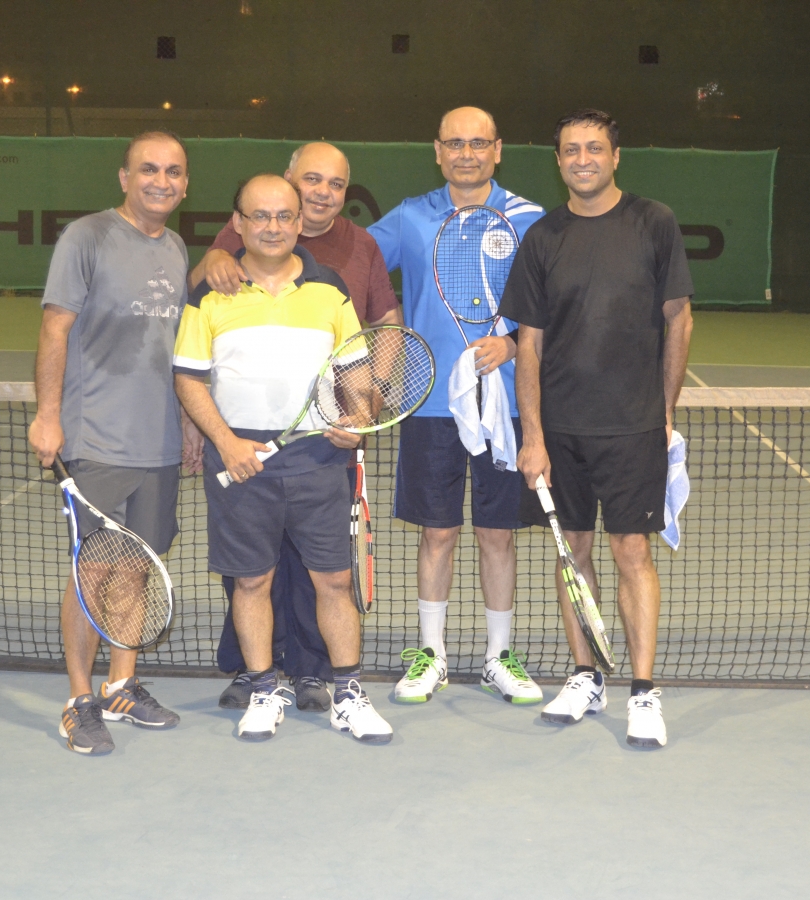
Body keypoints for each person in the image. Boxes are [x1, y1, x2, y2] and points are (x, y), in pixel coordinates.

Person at [174, 173, 392, 743]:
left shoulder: (333, 291)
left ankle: (348, 691)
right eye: (259, 216)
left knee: (333, 582)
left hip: (319, 459)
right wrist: (225, 442)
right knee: (251, 582)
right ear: (239, 224)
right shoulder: (210, 294)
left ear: (299, 223)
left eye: (283, 216)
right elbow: (189, 378)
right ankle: (264, 687)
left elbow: (357, 372)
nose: (273, 227)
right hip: (241, 460)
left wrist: (358, 417)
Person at [502, 109, 694, 749]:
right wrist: (532, 435)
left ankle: (643, 691)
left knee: (631, 553)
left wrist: (663, 413)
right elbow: (528, 344)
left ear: (616, 156)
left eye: (594, 148)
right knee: (571, 554)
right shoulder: (542, 238)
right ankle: (585, 675)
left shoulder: (653, 222)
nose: (582, 159)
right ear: (557, 161)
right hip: (560, 432)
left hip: (633, 426)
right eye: (569, 150)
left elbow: (678, 318)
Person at [28, 131, 203, 756]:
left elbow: (173, 349)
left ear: (186, 184)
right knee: (91, 569)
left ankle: (121, 684)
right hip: (96, 437)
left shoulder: (178, 247)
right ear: (124, 177)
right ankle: (80, 700)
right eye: (149, 169)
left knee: (136, 569)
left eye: (174, 172)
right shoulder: (87, 236)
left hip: (157, 441)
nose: (162, 180)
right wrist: (49, 414)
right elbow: (55, 325)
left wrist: (186, 423)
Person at [368, 107, 546, 704]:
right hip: (431, 407)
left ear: (498, 149)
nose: (466, 153)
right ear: (437, 151)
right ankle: (432, 654)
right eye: (454, 144)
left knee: (498, 535)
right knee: (438, 533)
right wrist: (231, 244)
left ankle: (499, 656)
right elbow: (346, 260)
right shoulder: (411, 218)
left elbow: (556, 308)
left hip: (508, 404)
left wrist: (514, 341)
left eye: (478, 143)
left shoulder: (530, 220)